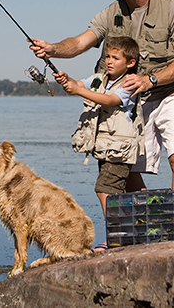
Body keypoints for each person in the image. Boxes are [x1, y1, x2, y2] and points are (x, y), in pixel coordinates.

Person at [30, 0, 174, 194]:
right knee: (128, 167)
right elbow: (80, 43)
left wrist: (151, 79)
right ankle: (150, 224)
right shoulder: (111, 12)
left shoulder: (172, 8)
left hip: (173, 91)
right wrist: (52, 49)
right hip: (134, 99)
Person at [55, 37, 144, 240]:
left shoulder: (130, 83)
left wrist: (79, 90)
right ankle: (132, 230)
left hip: (119, 150)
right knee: (116, 191)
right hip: (105, 149)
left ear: (130, 63)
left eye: (115, 58)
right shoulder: (99, 79)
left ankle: (118, 235)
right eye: (107, 57)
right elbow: (78, 84)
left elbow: (110, 100)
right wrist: (68, 80)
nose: (109, 61)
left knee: (105, 190)